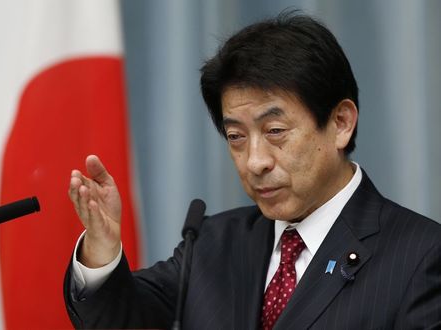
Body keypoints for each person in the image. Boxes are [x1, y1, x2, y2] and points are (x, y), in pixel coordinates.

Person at [64, 11, 441, 329]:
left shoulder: (422, 256)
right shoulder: (212, 243)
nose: (255, 161)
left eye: (275, 132)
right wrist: (102, 247)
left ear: (341, 122)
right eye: (236, 137)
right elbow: (120, 319)